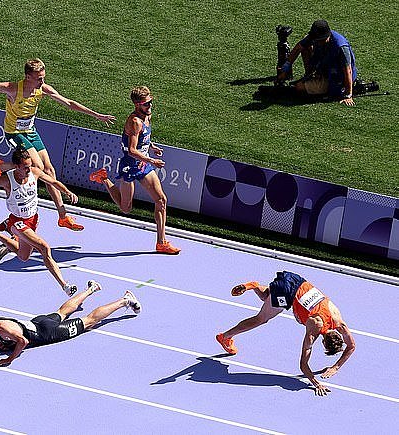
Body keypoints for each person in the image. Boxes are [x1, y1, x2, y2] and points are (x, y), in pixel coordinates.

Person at [0, 58, 116, 231]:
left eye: (44, 77)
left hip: (30, 131)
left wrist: (97, 115)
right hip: (14, 133)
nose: (42, 81)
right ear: (28, 77)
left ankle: (63, 217)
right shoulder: (13, 89)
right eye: (39, 78)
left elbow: (69, 103)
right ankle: (3, 167)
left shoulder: (42, 89)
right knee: (37, 166)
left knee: (50, 170)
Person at [215, 271, 356, 396]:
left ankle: (254, 286)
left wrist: (335, 367)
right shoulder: (314, 328)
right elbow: (303, 365)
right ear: (323, 342)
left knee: (268, 298)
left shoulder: (338, 319)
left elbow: (351, 346)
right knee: (261, 319)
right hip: (287, 293)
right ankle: (225, 337)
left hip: (295, 279)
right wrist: (316, 384)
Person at [0, 146, 79, 296]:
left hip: (33, 220)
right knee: (44, 248)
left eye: (30, 166)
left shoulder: (34, 172)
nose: (29, 170)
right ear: (16, 167)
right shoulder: (6, 180)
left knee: (23, 257)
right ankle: (65, 285)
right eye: (26, 167)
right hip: (17, 222)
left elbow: (53, 182)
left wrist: (67, 192)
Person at [89, 86, 180, 254]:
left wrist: (151, 146)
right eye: (146, 104)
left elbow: (142, 138)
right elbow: (131, 150)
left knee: (161, 200)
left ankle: (161, 242)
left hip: (143, 164)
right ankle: (103, 178)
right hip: (130, 165)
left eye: (151, 101)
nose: (150, 106)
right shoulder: (134, 121)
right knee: (126, 208)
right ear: (137, 105)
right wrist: (152, 159)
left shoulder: (147, 116)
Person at [0, 280, 141, 366]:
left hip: (48, 333)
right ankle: (91, 289)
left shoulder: (1, 328)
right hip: (39, 322)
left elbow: (23, 341)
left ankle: (124, 300)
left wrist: (9, 358)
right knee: (62, 311)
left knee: (89, 321)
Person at [279, 19, 357, 106]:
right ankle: (310, 75)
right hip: (324, 68)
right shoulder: (316, 38)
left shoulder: (341, 47)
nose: (318, 43)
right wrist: (286, 67)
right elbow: (299, 48)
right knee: (305, 47)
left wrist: (348, 95)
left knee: (299, 87)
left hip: (336, 78)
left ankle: (315, 80)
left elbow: (348, 70)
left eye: (320, 40)